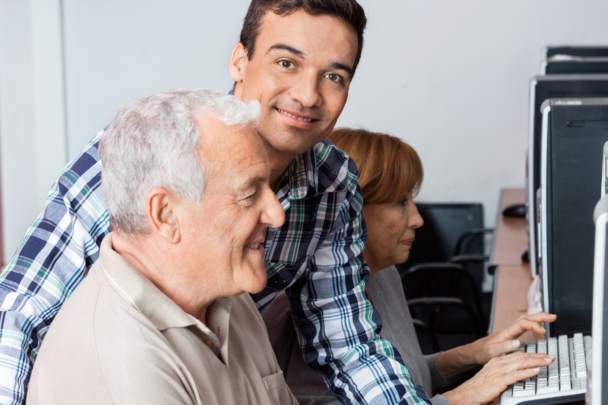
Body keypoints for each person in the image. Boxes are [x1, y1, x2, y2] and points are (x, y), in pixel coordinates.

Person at [0, 2, 430, 405]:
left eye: (334, 76)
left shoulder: (333, 180)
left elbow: (348, 345)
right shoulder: (148, 155)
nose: (308, 95)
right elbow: (20, 317)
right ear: (239, 61)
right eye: (286, 63)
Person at [27, 89, 297, 404]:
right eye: (249, 194)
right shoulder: (126, 364)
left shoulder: (225, 291)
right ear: (165, 215)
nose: (277, 214)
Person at [263, 128, 556, 405]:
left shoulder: (383, 274)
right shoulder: (310, 307)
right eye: (401, 202)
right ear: (350, 209)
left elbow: (402, 382)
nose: (417, 219)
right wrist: (467, 394)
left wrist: (475, 353)